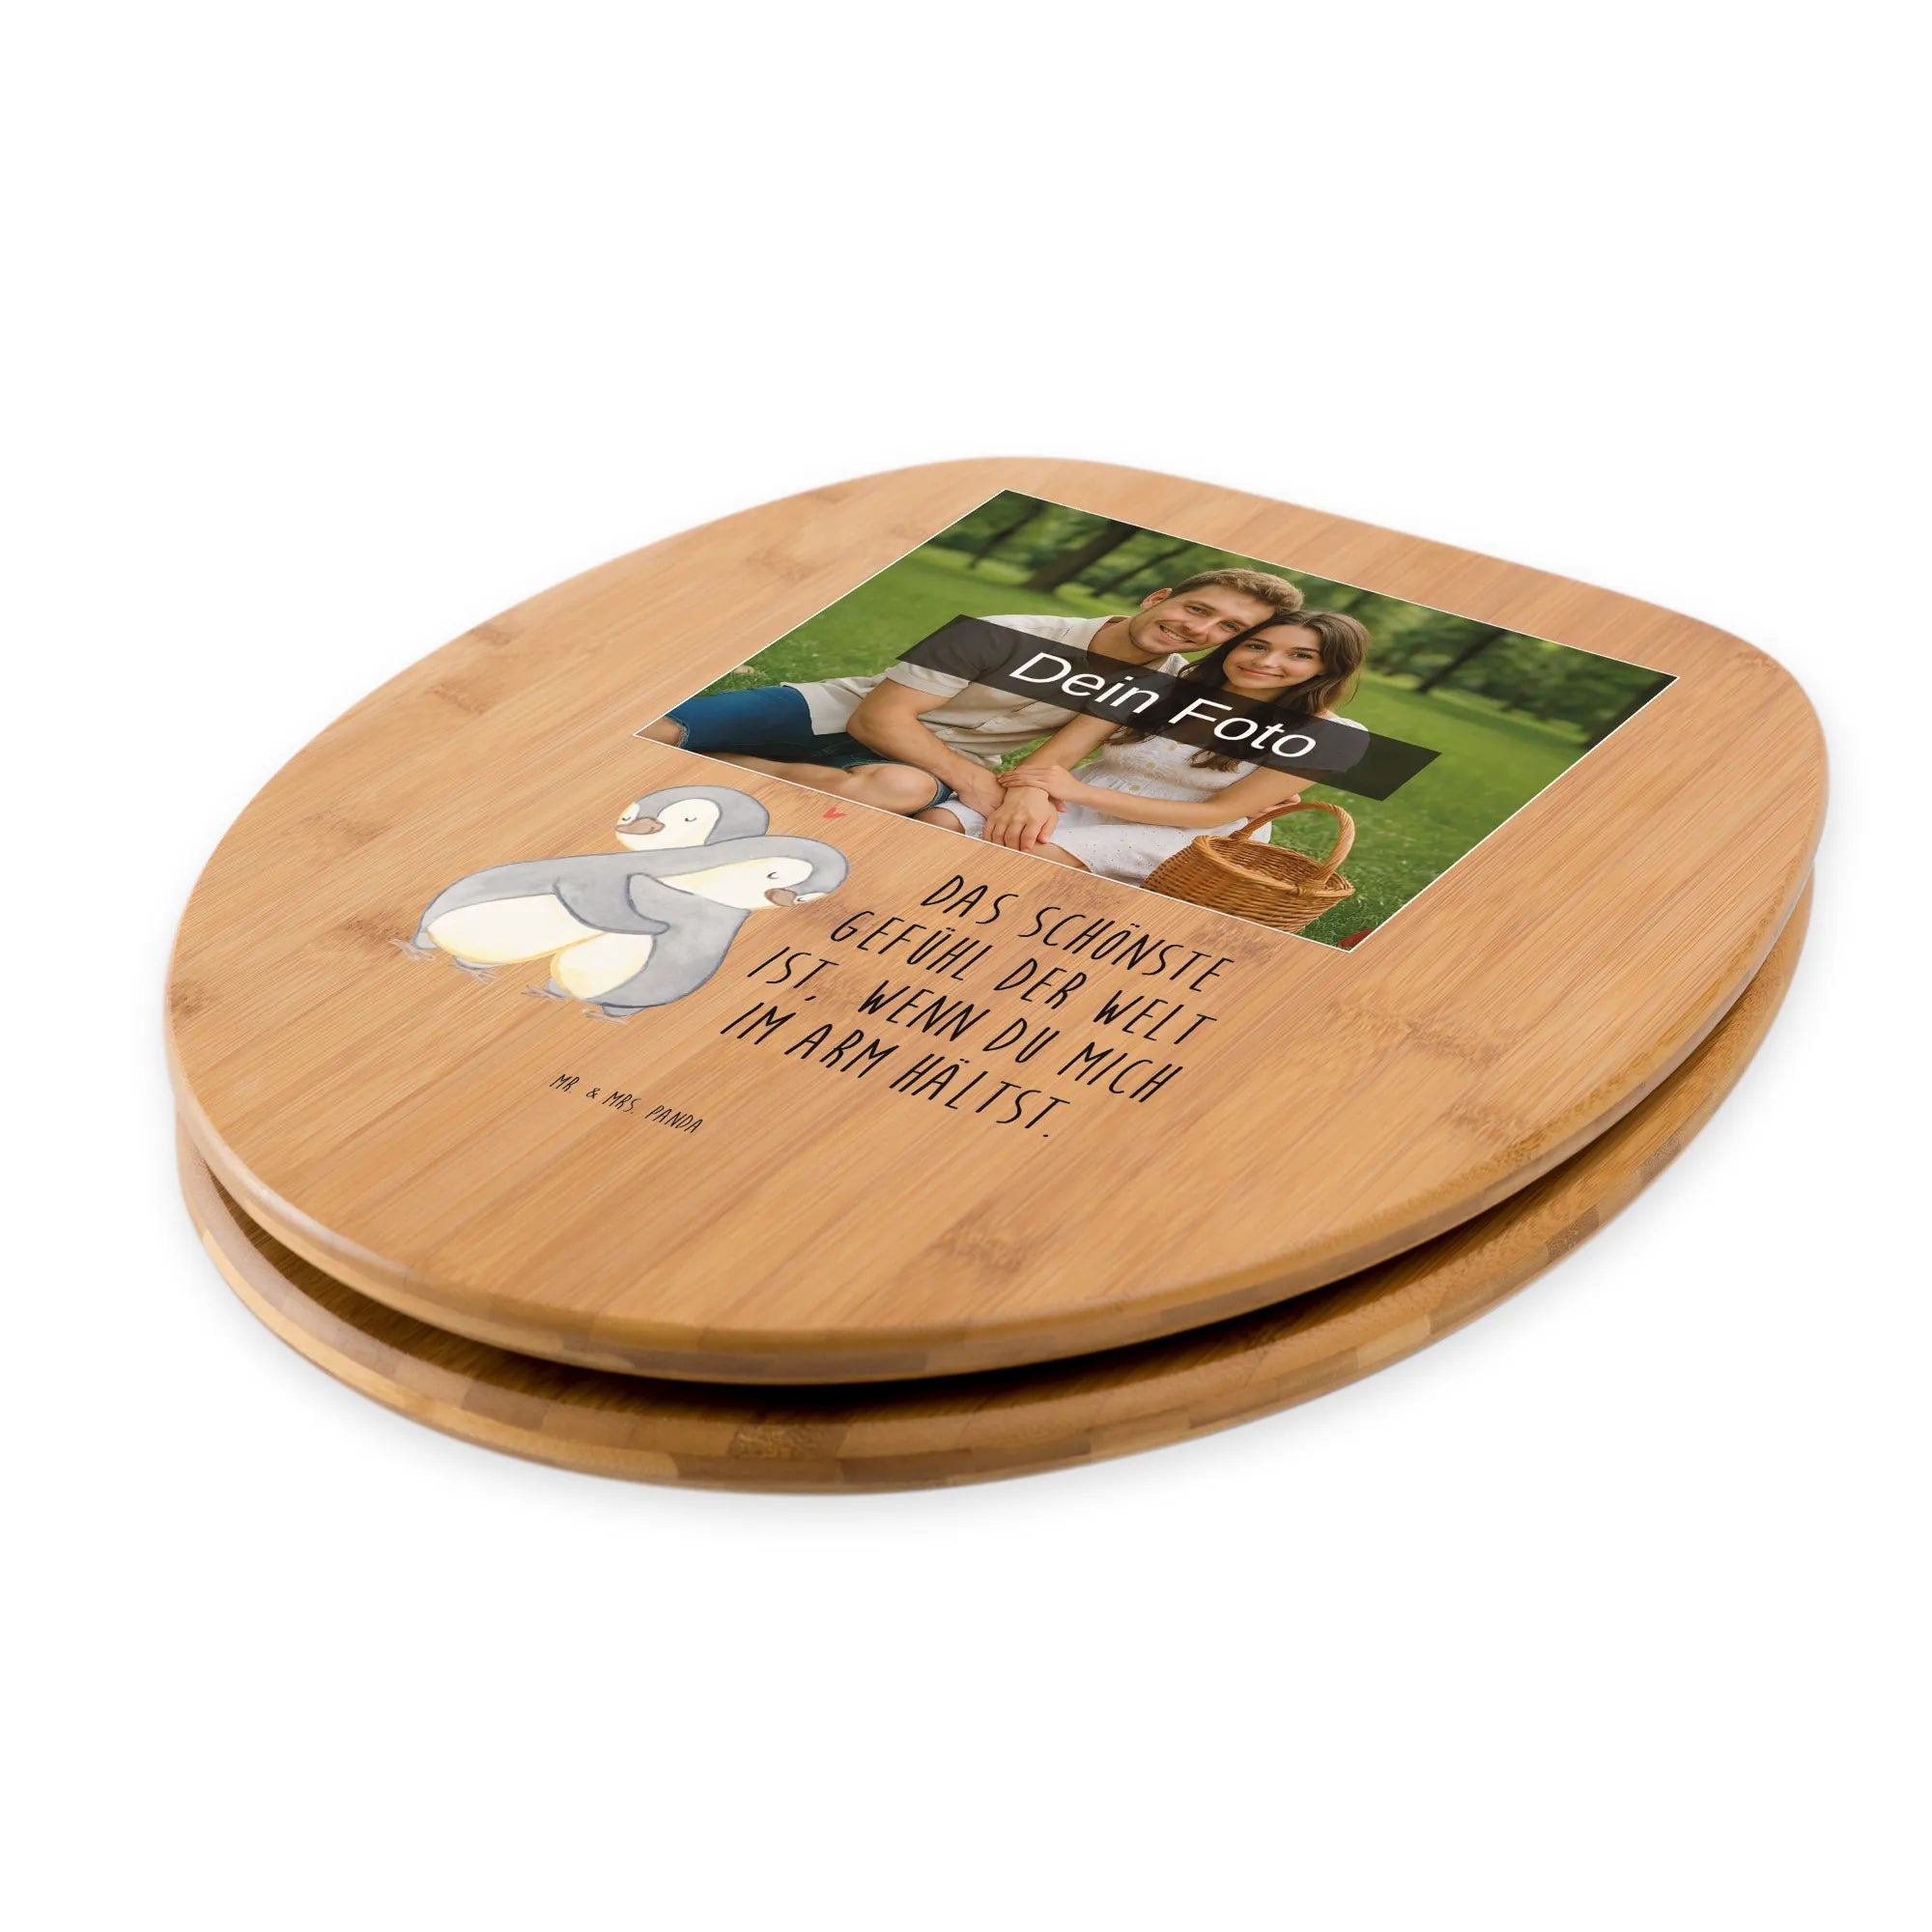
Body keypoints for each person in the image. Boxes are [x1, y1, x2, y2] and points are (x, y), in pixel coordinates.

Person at [636, 570, 1306, 845]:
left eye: (1226, 630)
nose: (1199, 630)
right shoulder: (1003, 631)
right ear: (1158, 598)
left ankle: (720, 768)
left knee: (898, 790)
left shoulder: (1164, 687)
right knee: (653, 732)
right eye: (1196, 609)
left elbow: (1221, 736)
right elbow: (877, 720)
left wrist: (1269, 776)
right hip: (834, 711)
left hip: (927, 764)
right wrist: (977, 782)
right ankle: (686, 754)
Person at [916, 611, 1371, 880]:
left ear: (1329, 668)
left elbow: (1216, 813)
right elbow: (1057, 758)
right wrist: (1030, 796)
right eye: (1256, 645)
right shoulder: (1156, 684)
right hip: (1077, 799)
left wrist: (1075, 790)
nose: (1266, 662)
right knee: (941, 821)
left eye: (1299, 655)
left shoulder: (1332, 736)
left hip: (1185, 833)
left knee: (1022, 856)